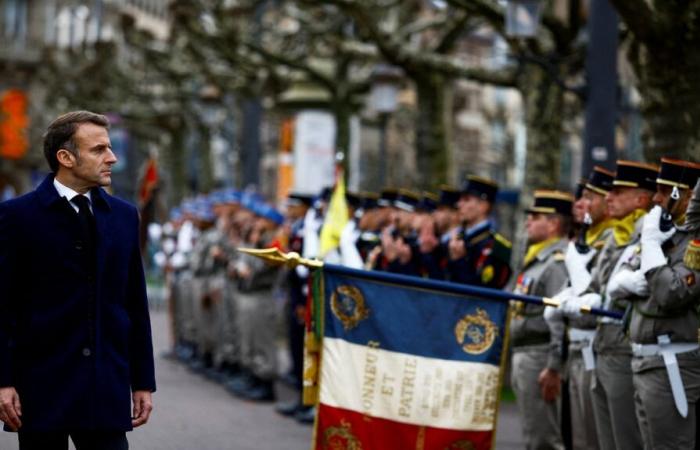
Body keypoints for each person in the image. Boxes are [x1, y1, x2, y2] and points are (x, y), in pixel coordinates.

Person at [0, 111, 155, 450]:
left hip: (105, 388)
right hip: (40, 388)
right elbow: (4, 307)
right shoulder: (17, 217)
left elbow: (135, 305)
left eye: (110, 148)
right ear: (65, 158)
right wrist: (3, 381)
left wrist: (143, 382)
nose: (112, 158)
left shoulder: (126, 217)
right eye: (99, 149)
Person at [568, 160, 658, 450]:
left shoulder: (651, 234)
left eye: (618, 191)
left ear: (641, 199)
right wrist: (580, 297)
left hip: (624, 346)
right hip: (603, 347)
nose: (609, 197)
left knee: (626, 439)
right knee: (606, 441)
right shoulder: (614, 236)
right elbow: (596, 286)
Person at [623, 158, 700, 449]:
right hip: (646, 361)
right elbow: (621, 282)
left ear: (689, 196)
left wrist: (652, 246)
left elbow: (671, 294)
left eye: (666, 191)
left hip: (673, 363)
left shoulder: (694, 242)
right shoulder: (669, 236)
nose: (657, 199)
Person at [510, 189, 573, 450]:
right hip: (525, 352)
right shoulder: (536, 258)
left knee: (543, 439)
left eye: (535, 216)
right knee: (532, 434)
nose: (528, 221)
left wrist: (554, 366)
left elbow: (560, 319)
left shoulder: (556, 263)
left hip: (540, 355)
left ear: (554, 224)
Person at [447, 175, 512, 288]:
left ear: (483, 206)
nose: (459, 205)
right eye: (460, 200)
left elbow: (484, 290)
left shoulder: (497, 247)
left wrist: (460, 261)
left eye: (466, 200)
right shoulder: (457, 237)